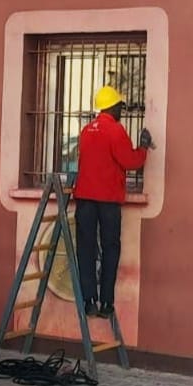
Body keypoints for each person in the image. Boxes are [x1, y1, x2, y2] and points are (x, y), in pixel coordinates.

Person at [72, 85, 154, 318]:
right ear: (112, 106)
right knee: (110, 248)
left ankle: (88, 300)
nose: (122, 110)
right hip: (107, 200)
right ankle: (106, 302)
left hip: (85, 199)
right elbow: (130, 161)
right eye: (120, 105)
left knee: (86, 250)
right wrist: (144, 148)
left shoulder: (87, 130)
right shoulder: (115, 130)